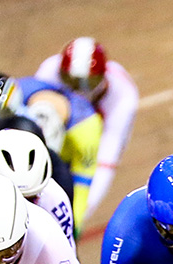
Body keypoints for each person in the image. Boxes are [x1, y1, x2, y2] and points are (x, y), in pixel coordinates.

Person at [0, 72, 102, 228]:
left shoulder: (42, 127)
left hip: (75, 128)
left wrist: (75, 227)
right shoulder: (18, 102)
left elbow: (81, 188)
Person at [35, 37, 138, 217]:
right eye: (70, 81)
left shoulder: (123, 96)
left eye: (87, 84)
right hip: (62, 129)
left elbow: (106, 160)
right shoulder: (50, 70)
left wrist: (82, 213)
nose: (78, 91)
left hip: (97, 139)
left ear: (103, 78)